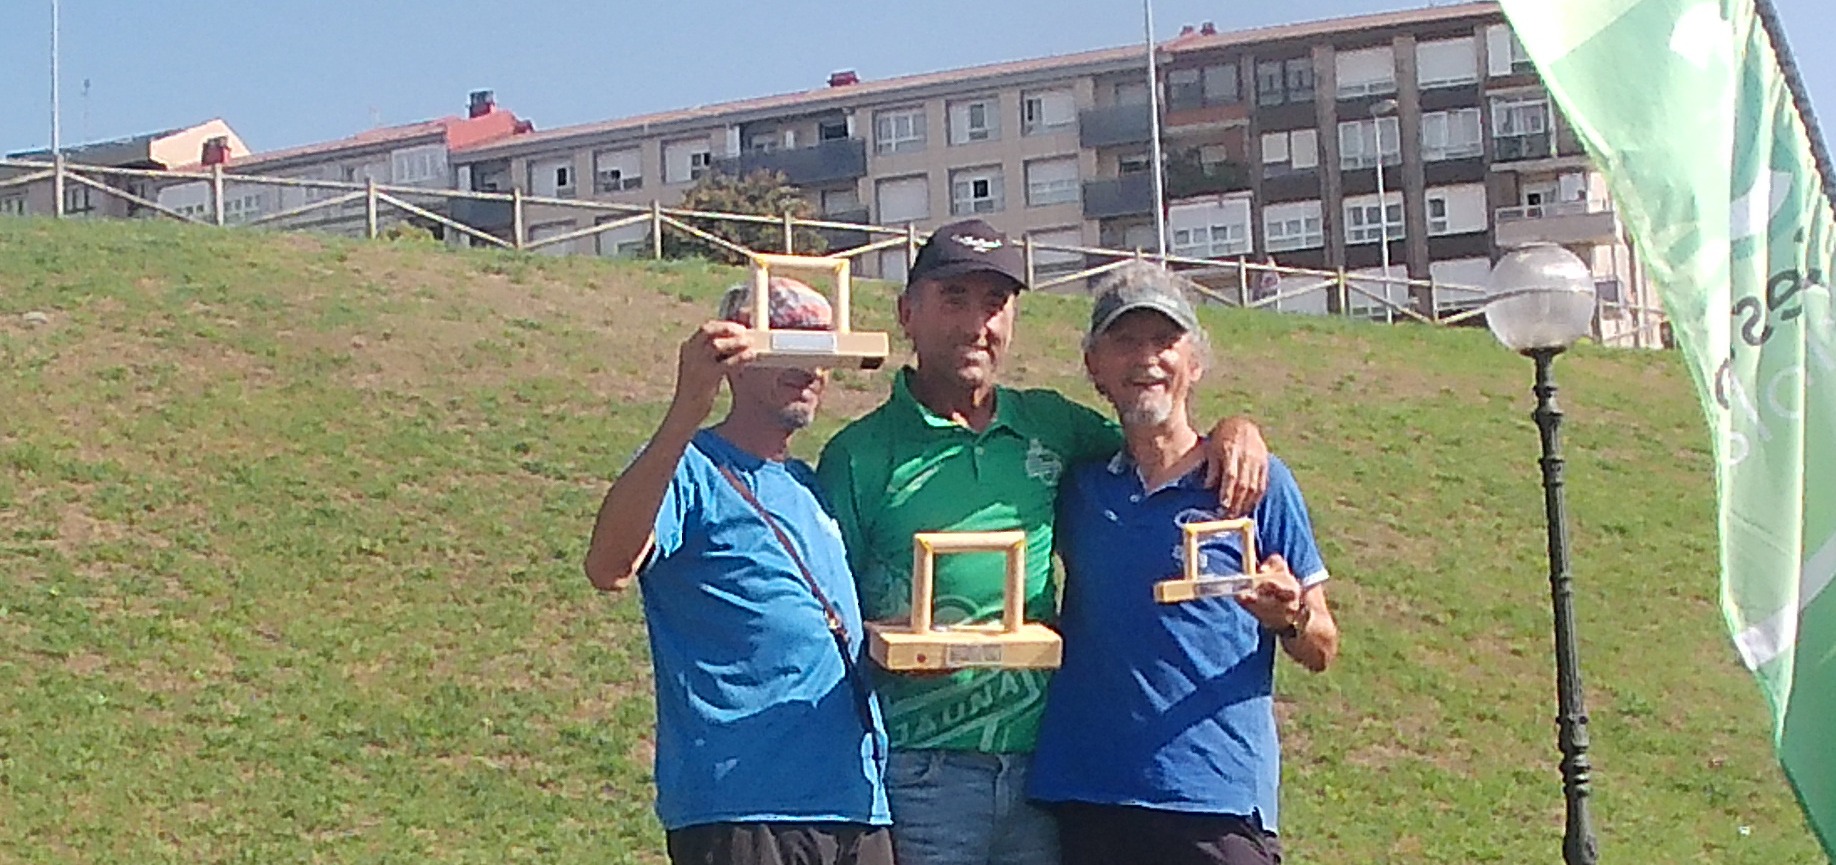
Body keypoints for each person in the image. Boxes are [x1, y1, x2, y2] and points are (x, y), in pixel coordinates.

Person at [815, 220, 1270, 865]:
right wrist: (897, 641)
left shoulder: (1050, 427)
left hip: (1042, 772)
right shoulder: (859, 456)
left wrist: (1235, 427)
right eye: (955, 300)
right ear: (907, 313)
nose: (978, 324)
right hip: (921, 775)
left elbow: (1159, 443)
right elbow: (825, 622)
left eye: (995, 305)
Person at [1029, 263, 1341, 865]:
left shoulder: (1256, 482)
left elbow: (1323, 647)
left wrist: (1289, 617)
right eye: (1125, 341)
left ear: (1194, 363)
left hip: (1212, 801)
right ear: (1095, 367)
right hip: (1090, 799)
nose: (1145, 358)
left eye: (1164, 341)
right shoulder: (1080, 484)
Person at [584, 278, 891, 865]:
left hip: (853, 801)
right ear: (737, 357)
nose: (810, 369)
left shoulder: (808, 484)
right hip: (745, 808)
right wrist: (685, 410)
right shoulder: (689, 467)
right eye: (789, 348)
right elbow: (608, 566)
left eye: (821, 352)